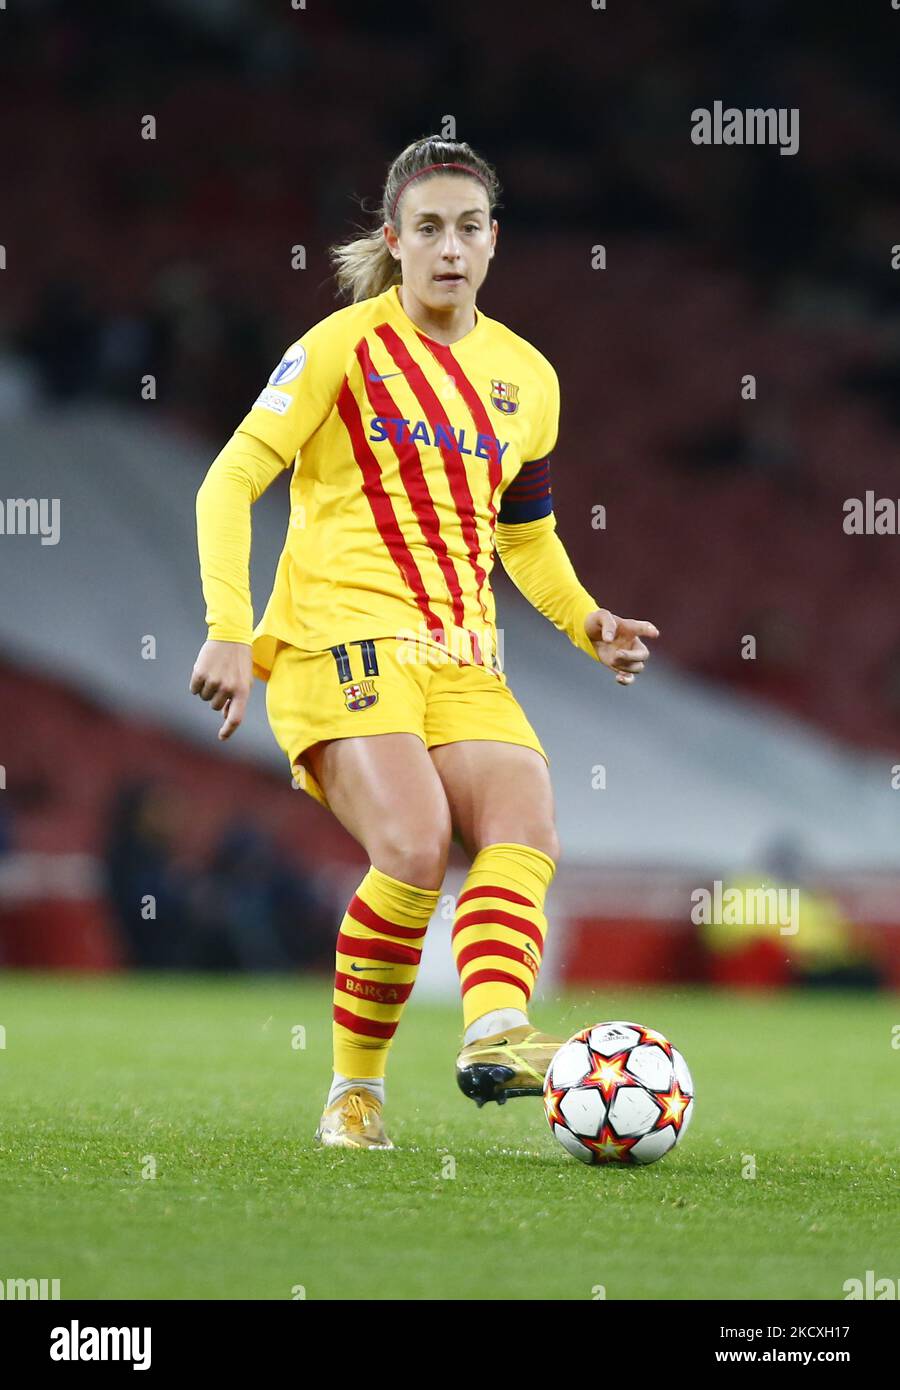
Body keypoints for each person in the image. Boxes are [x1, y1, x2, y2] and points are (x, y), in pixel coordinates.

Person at [191, 135, 658, 1149]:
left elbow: (523, 537)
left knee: (524, 829)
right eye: (432, 228)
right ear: (395, 241)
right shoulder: (337, 348)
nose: (452, 247)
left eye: (471, 227)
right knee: (408, 844)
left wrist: (588, 620)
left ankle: (494, 1030)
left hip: (461, 656)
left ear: (494, 242)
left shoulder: (527, 379)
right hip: (336, 642)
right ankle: (353, 1091)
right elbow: (228, 481)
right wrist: (230, 630)